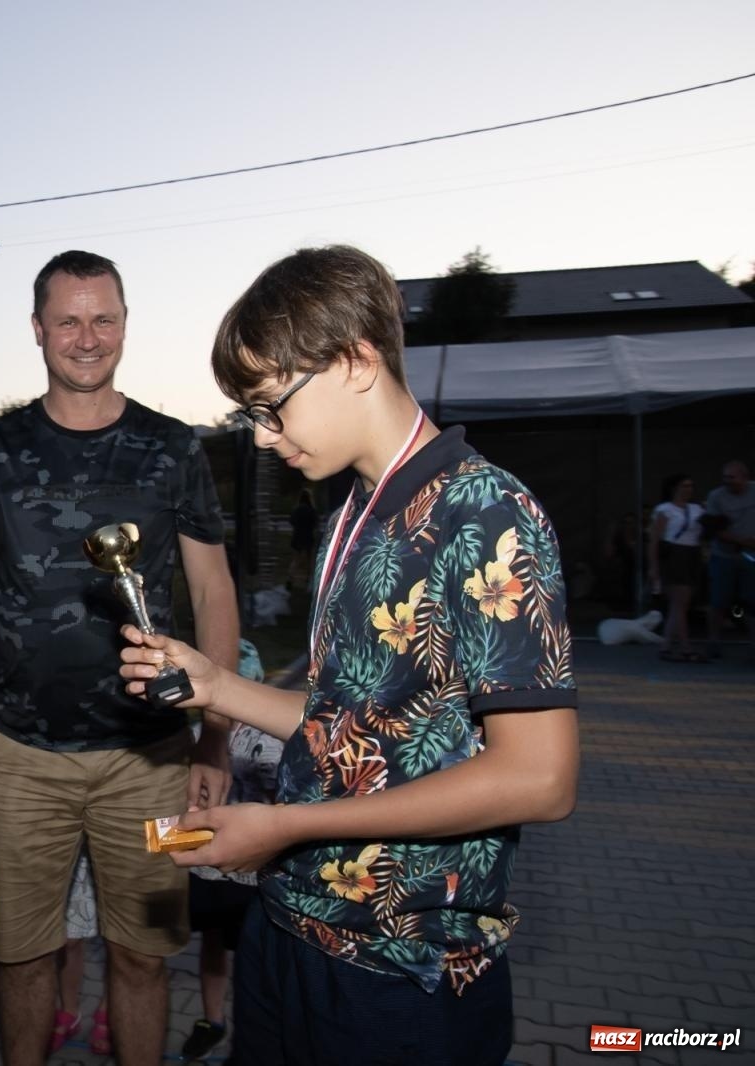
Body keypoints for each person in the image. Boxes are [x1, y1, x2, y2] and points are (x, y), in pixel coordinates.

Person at [121, 244, 579, 1066]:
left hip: (403, 970)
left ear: (356, 361)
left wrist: (288, 825)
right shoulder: (351, 515)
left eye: (271, 407)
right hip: (291, 930)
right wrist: (216, 684)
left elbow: (539, 778)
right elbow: (353, 723)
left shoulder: (485, 512)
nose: (264, 439)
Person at [0, 249, 240, 1066]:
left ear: (126, 325)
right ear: (38, 330)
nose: (87, 337)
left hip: (153, 758)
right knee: (22, 956)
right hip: (20, 758)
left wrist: (214, 741)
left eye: (104, 318)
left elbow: (213, 592)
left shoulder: (173, 448)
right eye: (68, 321)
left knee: (146, 955)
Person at [179, 640, 278, 1065]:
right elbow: (182, 804)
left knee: (256, 952)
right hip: (209, 870)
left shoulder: (273, 737)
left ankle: (257, 1028)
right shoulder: (196, 737)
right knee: (213, 943)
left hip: (255, 875)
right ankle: (212, 1019)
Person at [52, 851, 111, 1056]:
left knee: (120, 939)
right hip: (73, 841)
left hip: (129, 840)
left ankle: (109, 1010)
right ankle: (69, 1011)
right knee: (68, 937)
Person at [649, 472, 705, 662]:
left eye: (691, 486)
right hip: (674, 554)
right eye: (684, 486)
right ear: (674, 488)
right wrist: (653, 566)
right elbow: (654, 540)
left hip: (692, 553)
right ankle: (685, 646)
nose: (688, 490)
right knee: (679, 602)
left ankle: (666, 645)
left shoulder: (697, 509)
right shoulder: (665, 510)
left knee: (681, 604)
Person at [705, 459, 755, 659]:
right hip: (724, 555)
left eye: (732, 477)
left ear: (745, 477)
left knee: (752, 601)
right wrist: (743, 541)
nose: (728, 481)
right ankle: (714, 640)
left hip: (751, 557)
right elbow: (714, 529)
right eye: (725, 477)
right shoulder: (716, 497)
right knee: (719, 600)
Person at [287, 489, 319, 589]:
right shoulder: (312, 510)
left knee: (296, 560)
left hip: (297, 536)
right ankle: (308, 581)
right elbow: (315, 524)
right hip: (308, 537)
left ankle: (290, 579)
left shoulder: (296, 509)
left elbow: (291, 522)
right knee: (309, 561)